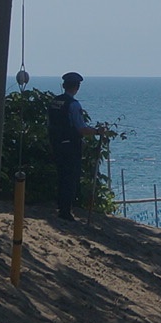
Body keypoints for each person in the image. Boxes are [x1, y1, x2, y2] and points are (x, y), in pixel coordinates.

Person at [47, 73, 98, 221]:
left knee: (62, 176)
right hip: (70, 145)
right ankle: (66, 211)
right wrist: (96, 132)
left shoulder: (54, 102)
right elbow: (81, 129)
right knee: (70, 178)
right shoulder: (73, 105)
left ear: (64, 85)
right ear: (77, 87)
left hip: (56, 144)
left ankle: (61, 206)